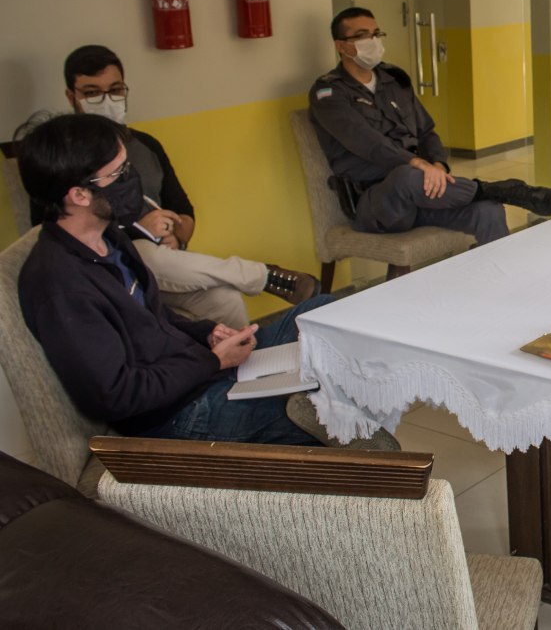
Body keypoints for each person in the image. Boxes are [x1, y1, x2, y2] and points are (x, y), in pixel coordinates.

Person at [15, 113, 396, 449]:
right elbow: (117, 395)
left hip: (198, 372)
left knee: (327, 312)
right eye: (119, 174)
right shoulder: (59, 284)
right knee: (333, 411)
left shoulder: (109, 236)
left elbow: (153, 315)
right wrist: (211, 361)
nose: (133, 181)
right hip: (175, 417)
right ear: (79, 194)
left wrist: (206, 332)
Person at [53, 45, 318, 328]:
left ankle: (246, 367)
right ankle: (262, 275)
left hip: (165, 268)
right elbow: (60, 233)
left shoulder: (146, 146)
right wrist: (140, 229)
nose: (107, 100)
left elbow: (183, 210)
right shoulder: (60, 160)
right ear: (72, 97)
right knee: (144, 251)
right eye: (93, 93)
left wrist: (176, 238)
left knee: (224, 298)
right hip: (110, 273)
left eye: (115, 89)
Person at [309, 7, 551, 244]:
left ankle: (502, 281)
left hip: (423, 196)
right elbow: (368, 144)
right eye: (362, 36)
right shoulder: (328, 93)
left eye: (376, 34)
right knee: (407, 176)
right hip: (377, 205)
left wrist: (438, 165)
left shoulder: (393, 80)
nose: (373, 42)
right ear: (341, 46)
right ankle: (496, 189)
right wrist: (417, 163)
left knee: (488, 210)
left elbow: (426, 131)